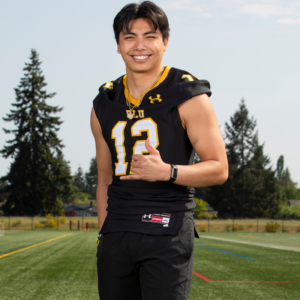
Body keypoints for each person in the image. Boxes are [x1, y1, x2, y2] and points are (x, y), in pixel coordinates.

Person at [90, 1, 228, 299]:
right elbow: (104, 180)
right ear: (118, 45)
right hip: (117, 233)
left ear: (165, 42)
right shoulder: (105, 102)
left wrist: (168, 171)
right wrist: (104, 236)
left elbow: (219, 168)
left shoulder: (187, 94)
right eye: (129, 37)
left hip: (167, 229)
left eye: (150, 36)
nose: (140, 46)